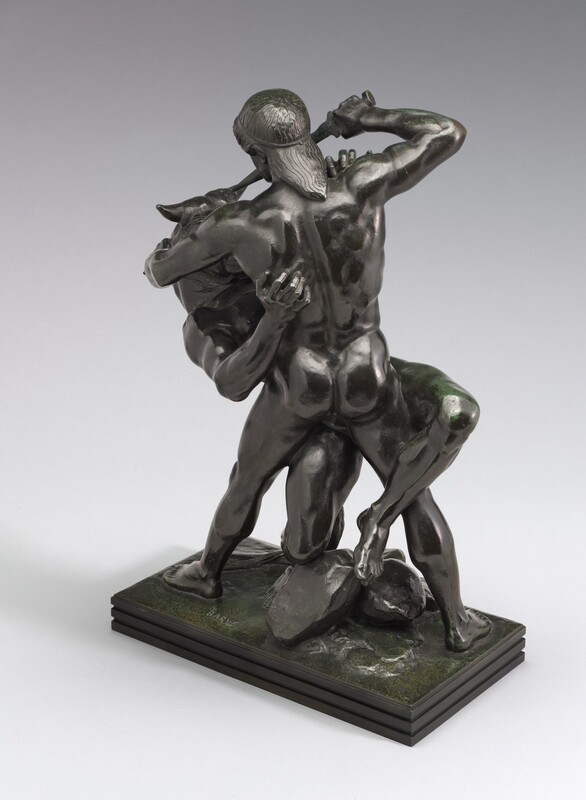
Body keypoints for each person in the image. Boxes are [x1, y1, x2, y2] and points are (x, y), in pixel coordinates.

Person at [145, 90, 490, 651]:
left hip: (299, 378)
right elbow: (446, 131)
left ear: (255, 155)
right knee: (414, 497)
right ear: (308, 137)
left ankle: (207, 571)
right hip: (364, 372)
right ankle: (457, 621)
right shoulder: (363, 184)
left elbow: (162, 271)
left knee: (248, 478)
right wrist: (367, 119)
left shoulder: (242, 222)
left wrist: (187, 233)